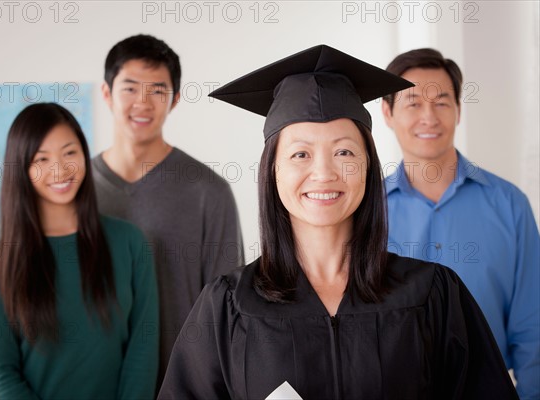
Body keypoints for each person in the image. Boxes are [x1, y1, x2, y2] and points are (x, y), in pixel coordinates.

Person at [157, 45, 518, 399]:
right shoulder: (229, 305)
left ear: (367, 167)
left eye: (344, 151)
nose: (324, 172)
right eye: (301, 154)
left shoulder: (433, 293)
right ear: (273, 171)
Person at [381, 48, 540, 399]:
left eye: (441, 102)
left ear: (458, 110)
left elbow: (533, 325)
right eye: (412, 103)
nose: (429, 117)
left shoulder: (510, 205)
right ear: (388, 112)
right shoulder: (367, 214)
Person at [0, 103, 159, 399]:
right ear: (21, 169)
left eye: (70, 152)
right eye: (42, 159)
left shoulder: (129, 242)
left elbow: (143, 348)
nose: (60, 170)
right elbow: (1, 373)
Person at [92, 33, 244, 385]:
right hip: (95, 384)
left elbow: (226, 309)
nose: (142, 102)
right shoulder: (78, 191)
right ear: (106, 94)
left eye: (157, 91)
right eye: (130, 88)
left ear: (175, 100)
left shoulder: (209, 192)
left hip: (183, 383)